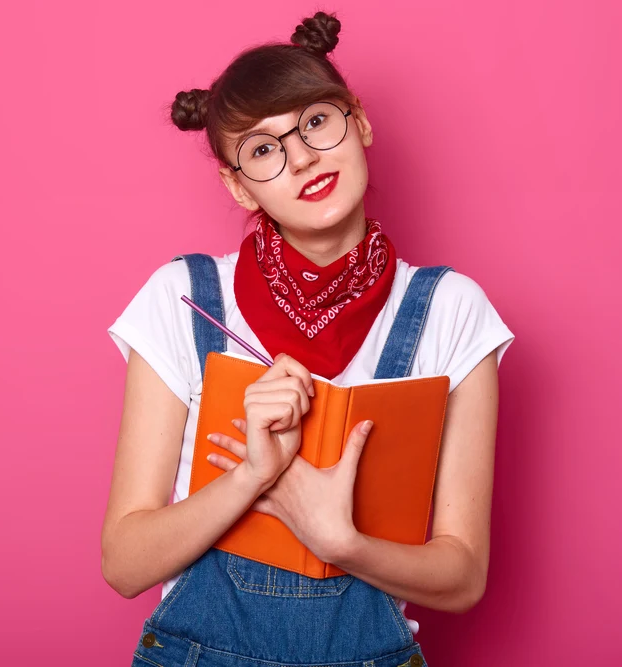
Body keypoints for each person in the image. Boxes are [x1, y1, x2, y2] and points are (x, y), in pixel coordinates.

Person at [101, 11, 515, 667]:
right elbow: (124, 565)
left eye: (316, 121)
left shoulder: (449, 309)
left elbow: (462, 576)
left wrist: (341, 540)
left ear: (359, 120)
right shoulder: (183, 297)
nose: (302, 158)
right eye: (263, 149)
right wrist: (251, 476)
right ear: (236, 184)